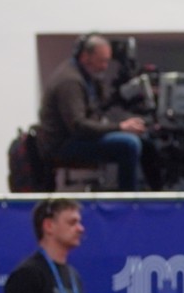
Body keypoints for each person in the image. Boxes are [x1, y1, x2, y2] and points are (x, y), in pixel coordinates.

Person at [35, 34, 147, 190]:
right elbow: (78, 125)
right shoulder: (70, 81)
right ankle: (127, 200)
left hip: (76, 138)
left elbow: (97, 109)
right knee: (129, 144)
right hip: (63, 145)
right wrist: (120, 127)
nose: (105, 66)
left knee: (144, 140)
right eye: (102, 61)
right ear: (85, 57)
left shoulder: (86, 77)